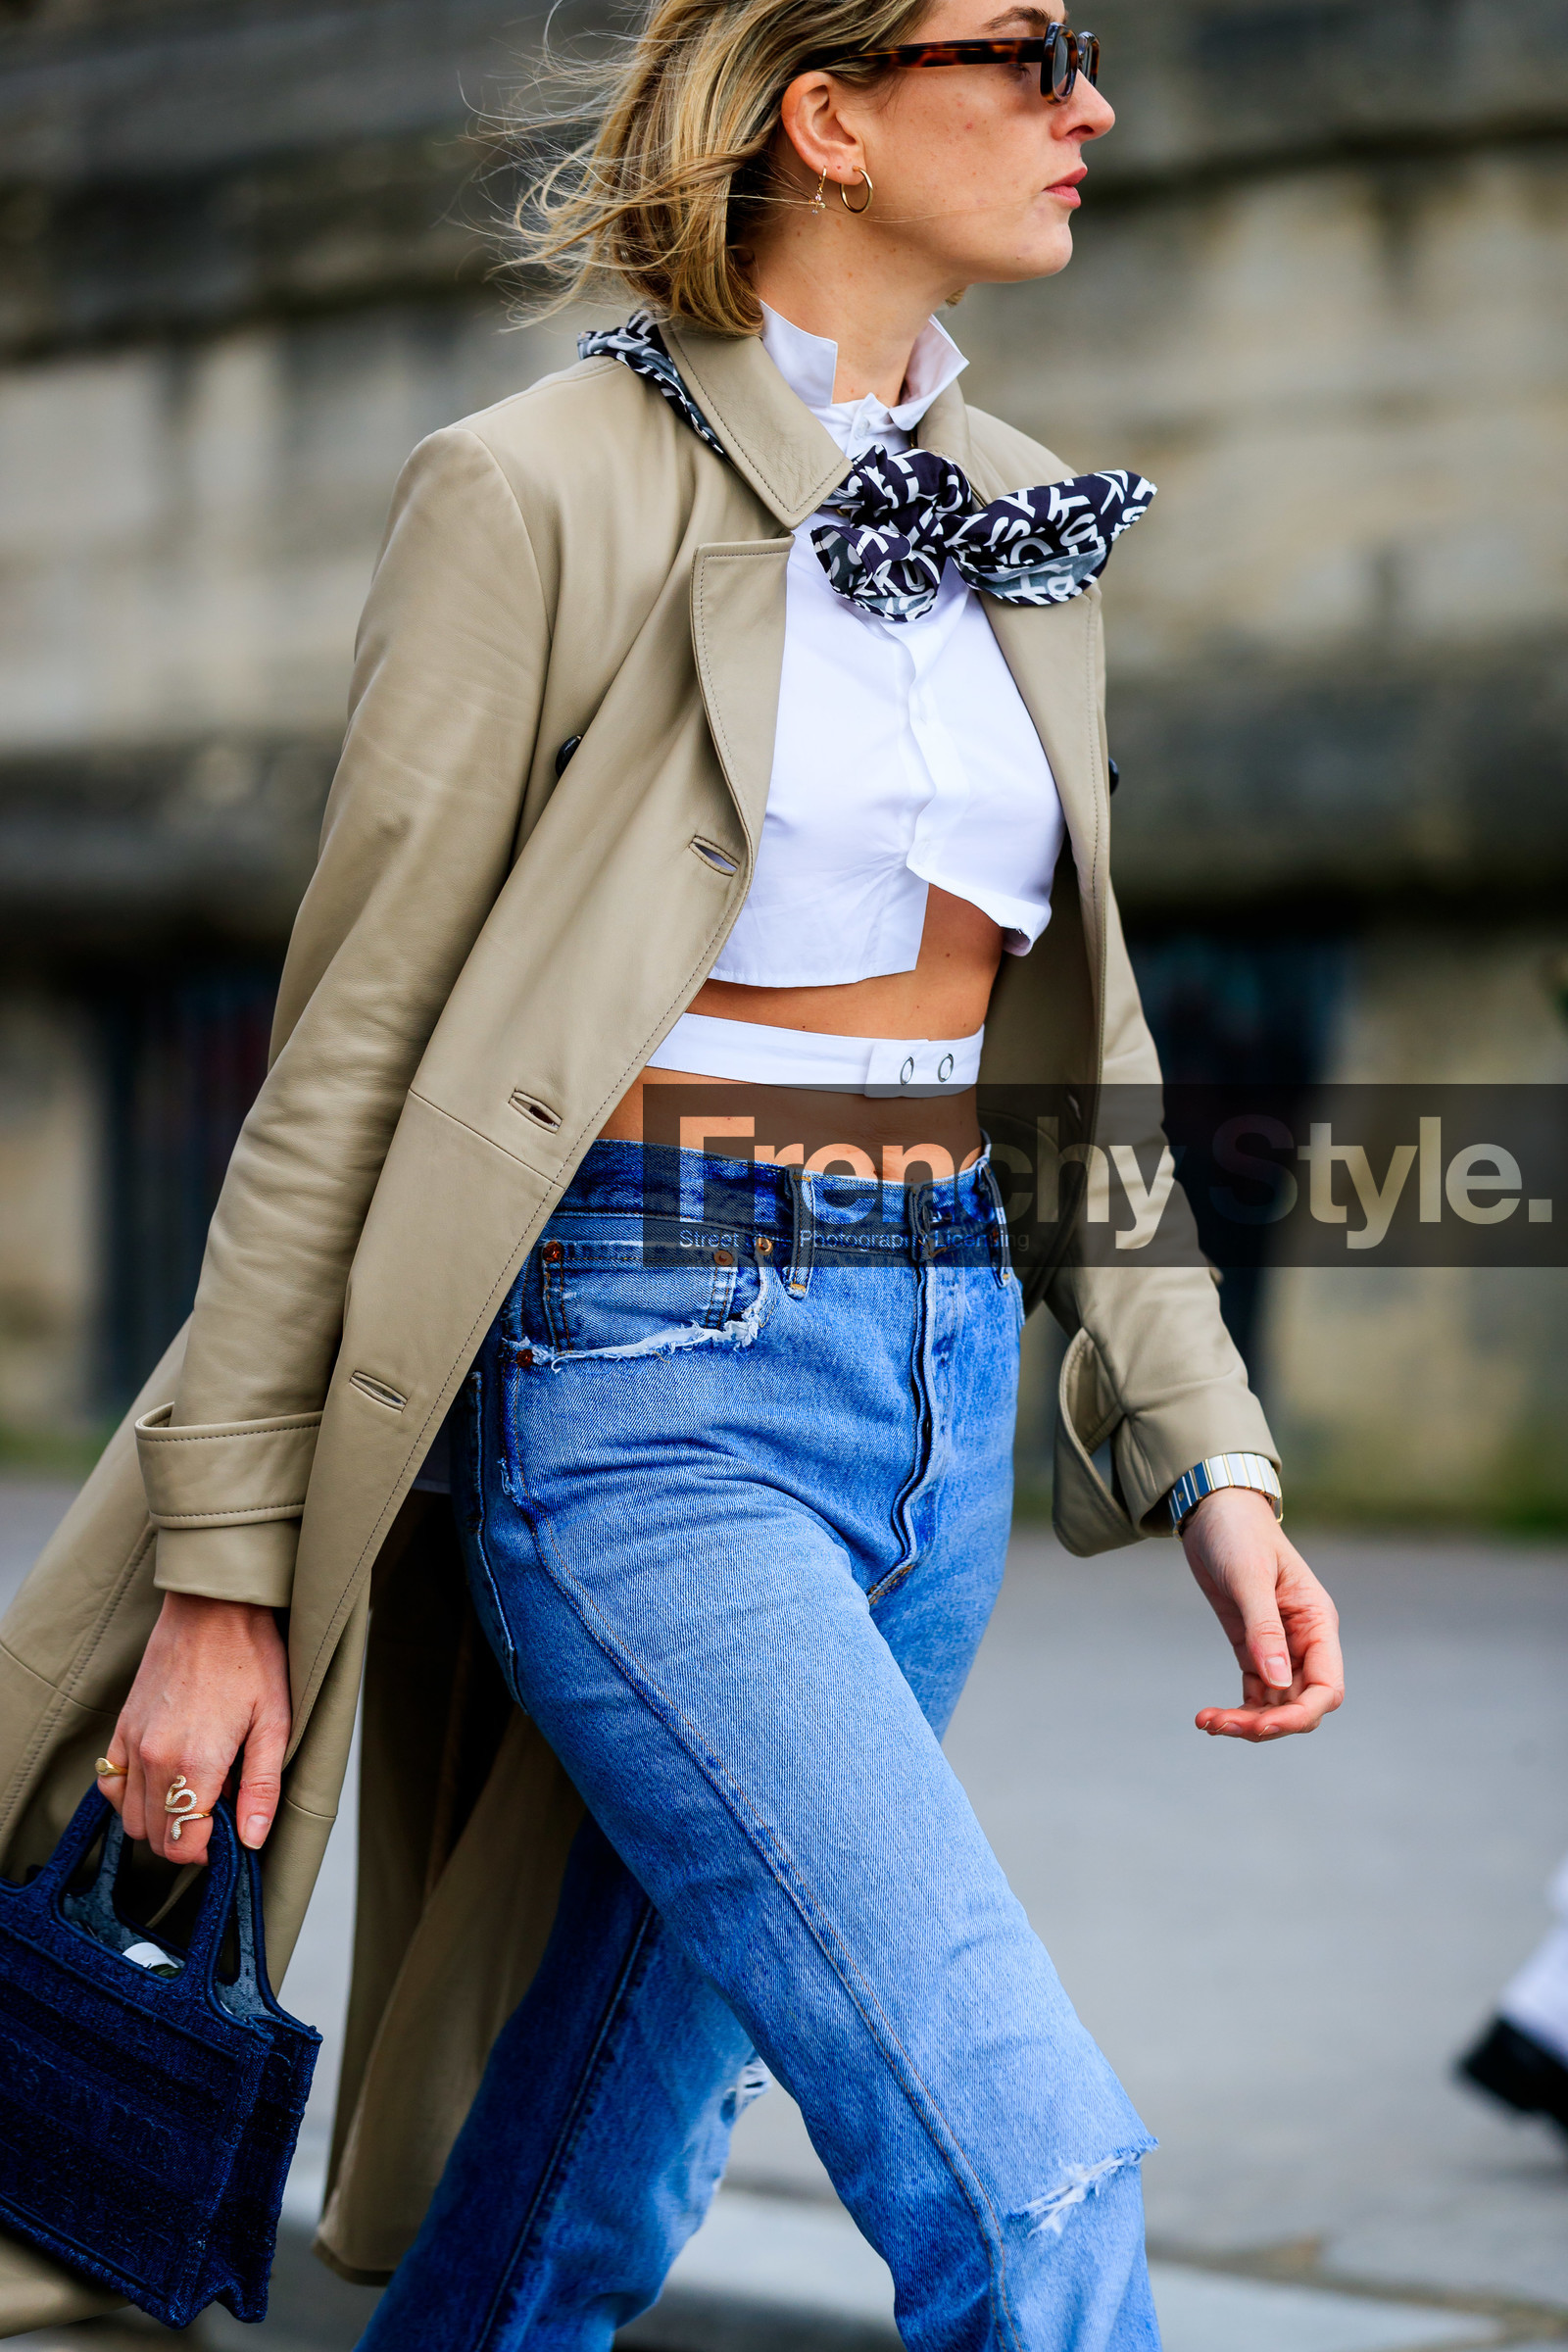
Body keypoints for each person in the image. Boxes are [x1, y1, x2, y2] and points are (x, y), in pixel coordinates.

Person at [0, 0, 1345, 2345]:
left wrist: (1204, 1453)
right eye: (1031, 52)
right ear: (828, 116)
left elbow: (1078, 1051)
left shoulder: (1024, 509)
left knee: (585, 2198)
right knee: (1025, 2168)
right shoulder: (533, 492)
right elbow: (349, 1055)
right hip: (649, 1386)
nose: (1092, 105)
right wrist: (220, 1575)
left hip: (935, 1387)